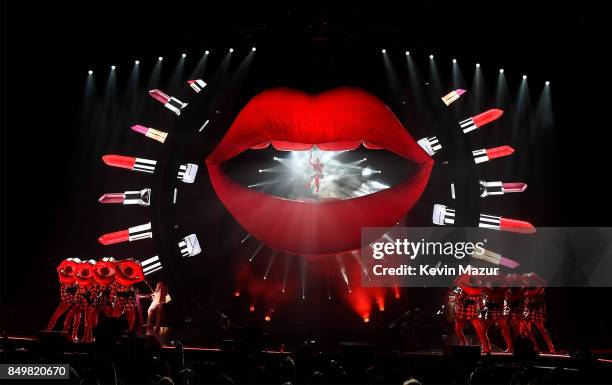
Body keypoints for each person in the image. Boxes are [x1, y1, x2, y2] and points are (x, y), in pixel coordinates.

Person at [452, 274, 490, 353]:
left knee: (480, 331)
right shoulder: (465, 290)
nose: (473, 282)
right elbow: (459, 300)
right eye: (472, 281)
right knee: (457, 329)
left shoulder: (477, 290)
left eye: (474, 281)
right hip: (462, 311)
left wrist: (483, 314)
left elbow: (481, 304)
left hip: (471, 312)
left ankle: (486, 348)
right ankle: (463, 342)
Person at [523, 272, 555, 353]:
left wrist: (536, 277)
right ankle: (535, 347)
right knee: (525, 328)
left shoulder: (538, 288)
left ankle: (551, 348)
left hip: (535, 310)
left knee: (541, 329)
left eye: (528, 278)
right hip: (527, 309)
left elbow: (540, 289)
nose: (527, 280)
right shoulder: (526, 287)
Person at [481, 274, 513, 353]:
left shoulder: (489, 291)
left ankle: (486, 348)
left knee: (483, 331)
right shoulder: (502, 291)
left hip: (492, 313)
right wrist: (502, 277)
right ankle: (509, 348)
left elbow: (482, 285)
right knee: (504, 330)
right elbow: (509, 285)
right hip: (496, 313)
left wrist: (488, 277)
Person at [46, 258, 80, 331]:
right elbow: (58, 268)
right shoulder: (62, 278)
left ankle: (70, 334)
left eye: (70, 271)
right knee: (56, 315)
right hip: (65, 302)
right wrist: (67, 261)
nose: (68, 273)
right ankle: (48, 330)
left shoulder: (75, 278)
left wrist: (74, 264)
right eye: (67, 271)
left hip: (75, 302)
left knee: (75, 318)